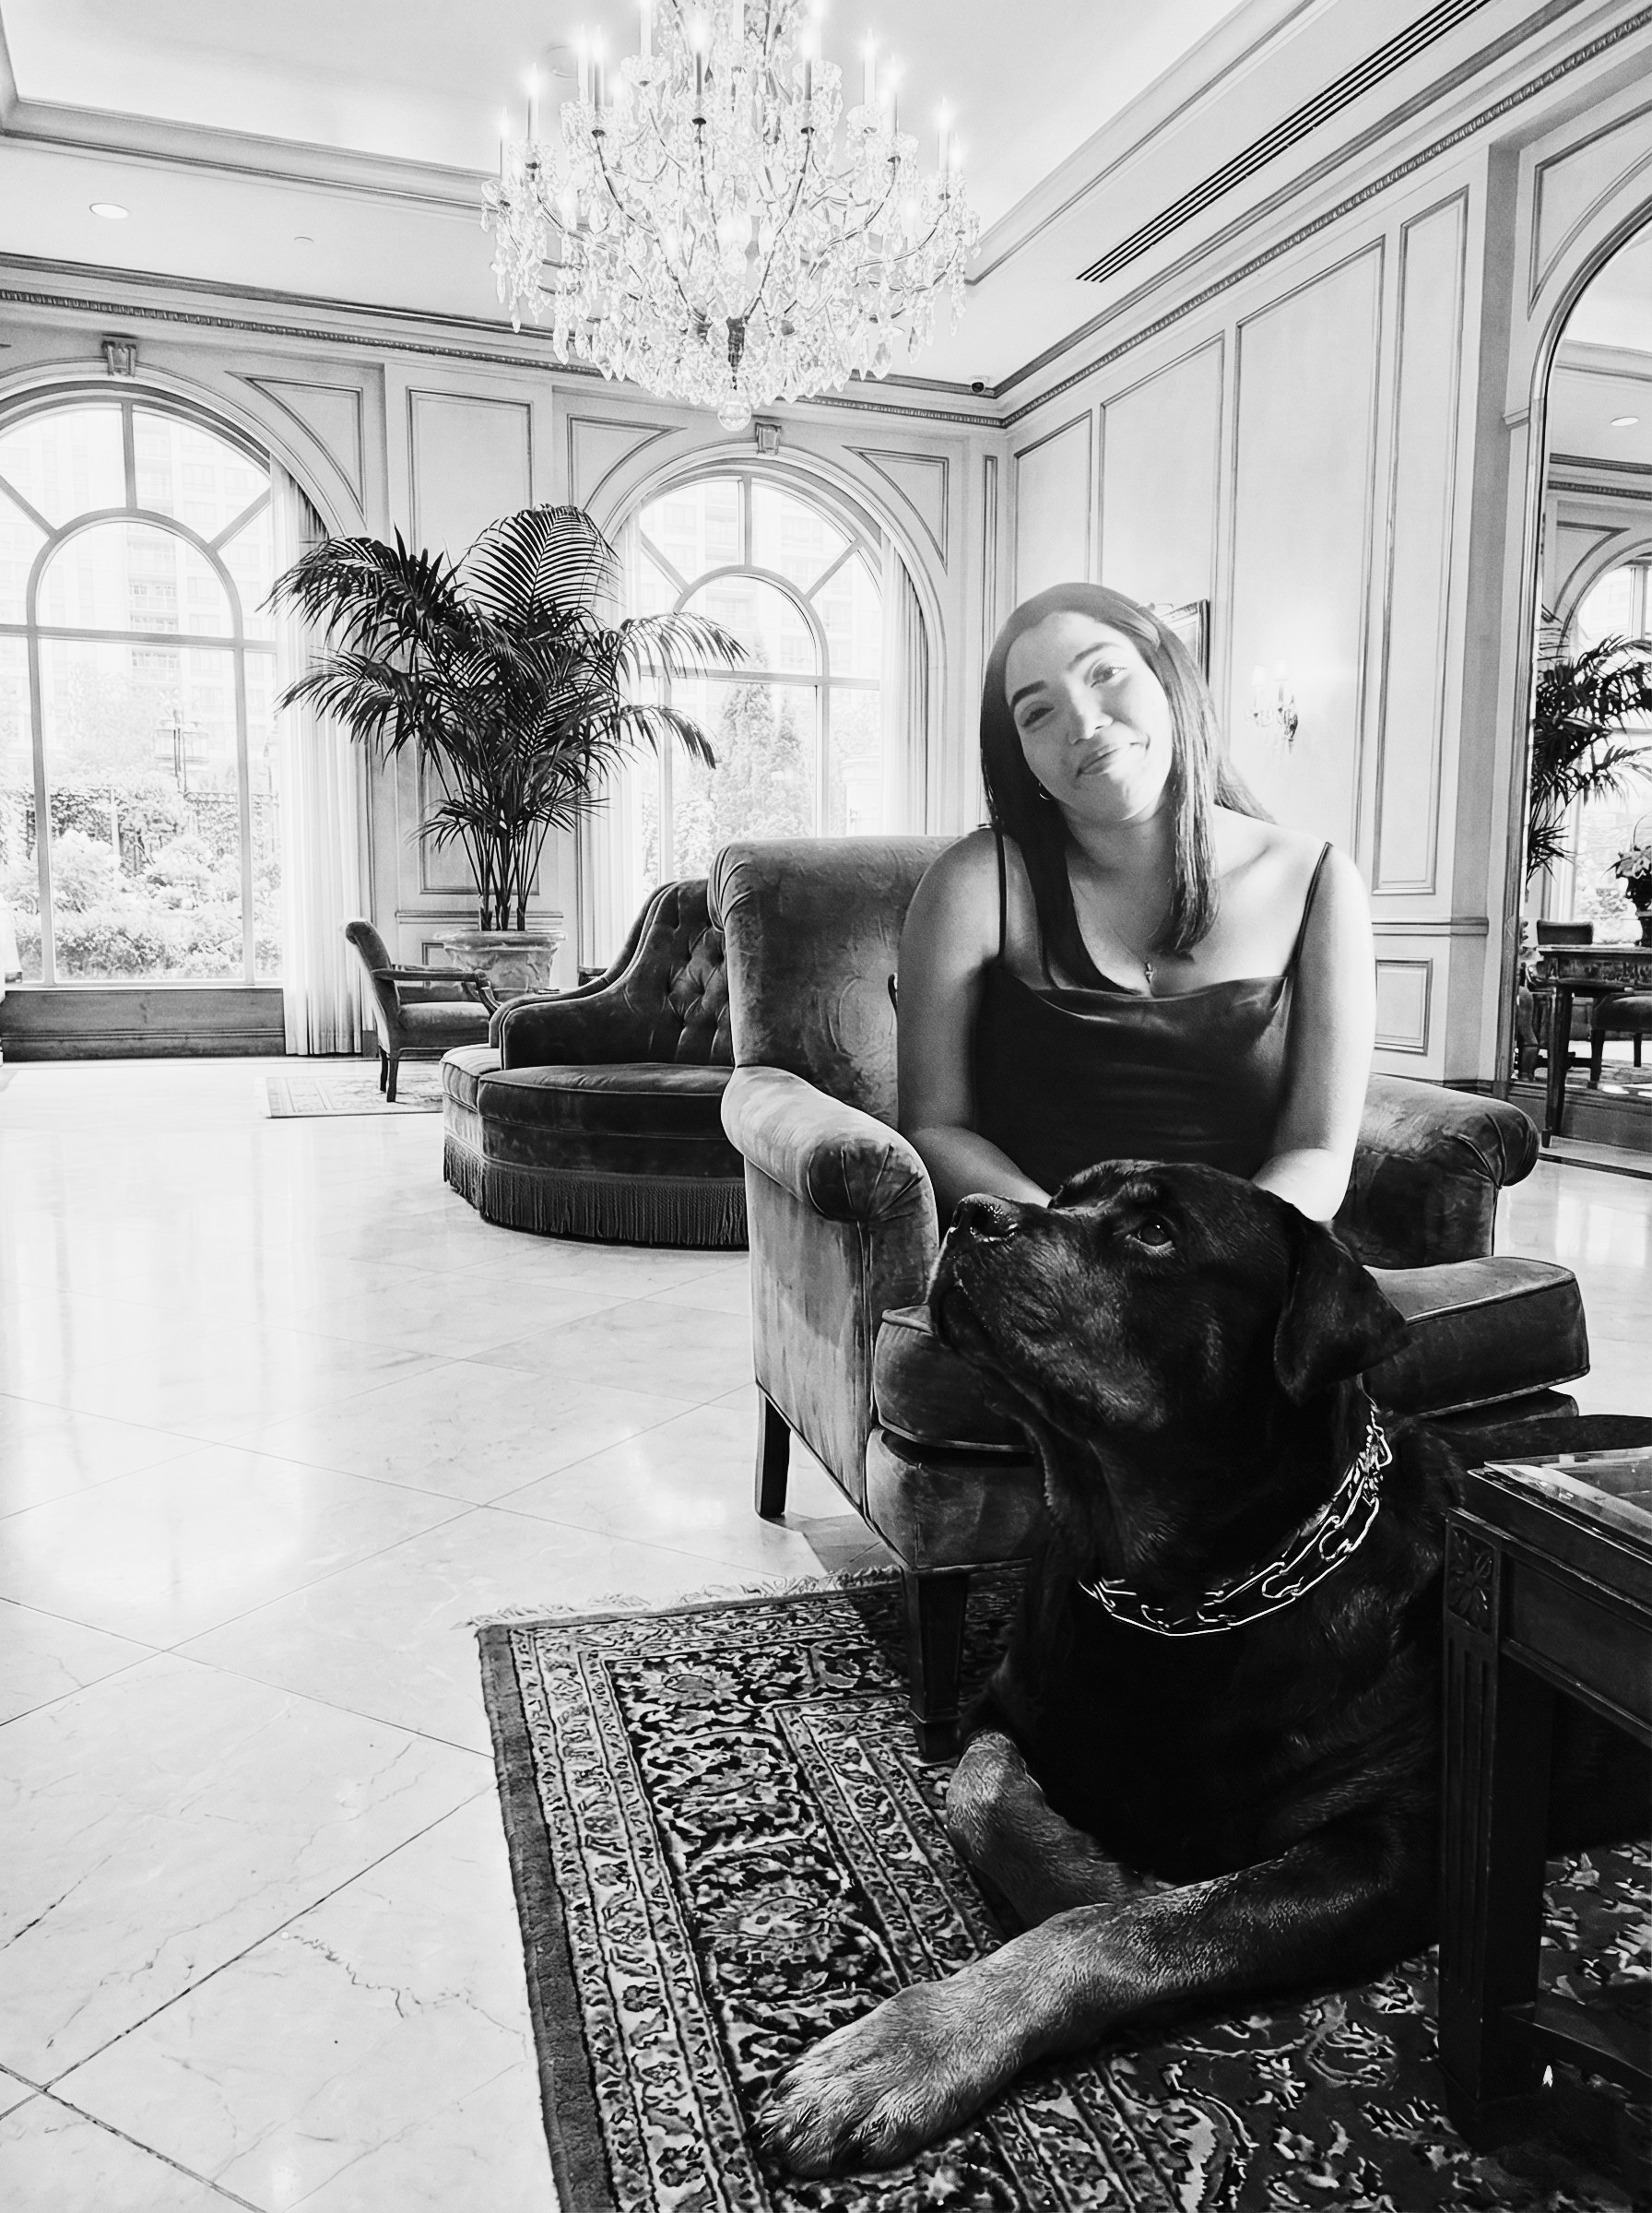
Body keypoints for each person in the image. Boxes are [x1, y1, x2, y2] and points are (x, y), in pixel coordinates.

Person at [897, 584, 1375, 1225]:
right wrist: (1078, 1243)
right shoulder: (974, 883)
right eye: (1037, 713)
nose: (1084, 724)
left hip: (1242, 1255)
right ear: (1020, 756)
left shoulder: (1317, 882)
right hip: (1041, 1249)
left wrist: (1210, 1254)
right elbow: (935, 1128)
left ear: (1167, 676)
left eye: (1105, 673)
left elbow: (1316, 1150)